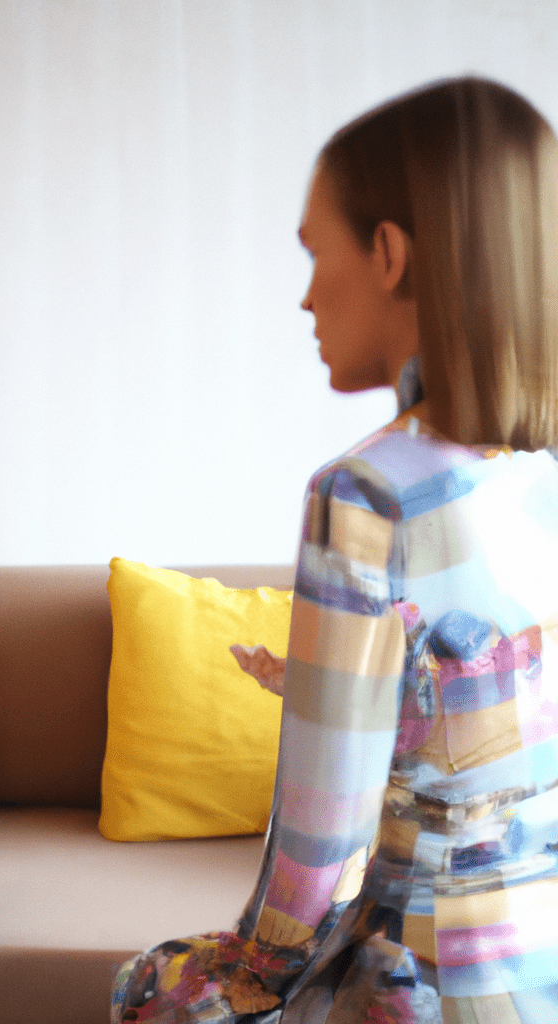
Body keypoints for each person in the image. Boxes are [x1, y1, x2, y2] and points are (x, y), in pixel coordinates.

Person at [112, 76, 558, 1023]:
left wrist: (228, 984)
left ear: (389, 252)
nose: (306, 295)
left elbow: (317, 869)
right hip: (539, 972)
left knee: (148, 989)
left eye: (315, 252)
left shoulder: (365, 495)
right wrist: (358, 697)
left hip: (422, 983)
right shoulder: (538, 479)